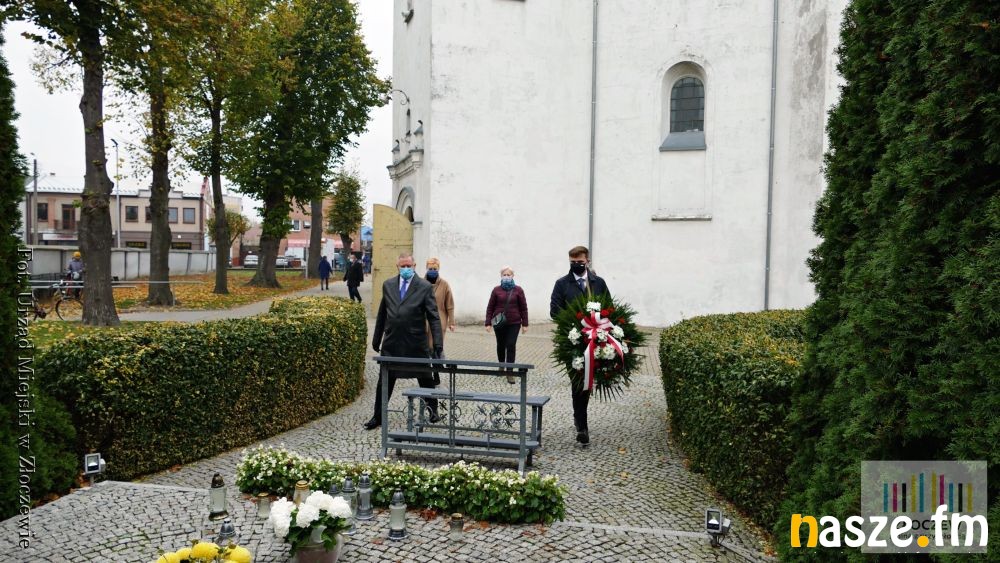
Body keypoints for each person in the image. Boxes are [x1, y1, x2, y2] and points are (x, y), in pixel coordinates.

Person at [367, 253, 443, 430]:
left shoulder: (424, 287)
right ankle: (377, 416)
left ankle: (433, 411)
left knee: (425, 378)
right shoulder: (388, 285)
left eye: (409, 265)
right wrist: (376, 339)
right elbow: (382, 314)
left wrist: (438, 343)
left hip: (415, 342)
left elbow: (433, 317)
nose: (406, 268)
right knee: (384, 380)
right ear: (398, 267)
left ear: (414, 266)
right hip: (392, 342)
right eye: (403, 266)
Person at [549, 245, 611, 446]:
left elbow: (609, 307)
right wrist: (575, 322)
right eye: (573, 262)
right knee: (578, 382)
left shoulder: (598, 283)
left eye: (580, 262)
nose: (576, 265)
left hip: (595, 340)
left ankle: (579, 417)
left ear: (587, 261)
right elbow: (554, 311)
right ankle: (582, 426)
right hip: (572, 342)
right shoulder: (562, 284)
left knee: (588, 382)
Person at [485, 266, 528, 384]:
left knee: (510, 345)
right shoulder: (496, 290)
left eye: (509, 274)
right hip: (499, 322)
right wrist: (488, 322)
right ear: (501, 276)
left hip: (514, 323)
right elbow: (490, 307)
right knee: (501, 344)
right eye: (504, 274)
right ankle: (501, 365)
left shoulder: (518, 290)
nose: (506, 276)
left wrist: (525, 324)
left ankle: (510, 372)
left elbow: (523, 308)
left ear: (513, 276)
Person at [424, 258, 455, 352]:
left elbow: (450, 305)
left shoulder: (444, 285)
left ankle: (438, 359)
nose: (432, 271)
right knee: (424, 346)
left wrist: (451, 322)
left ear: (438, 269)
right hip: (424, 319)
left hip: (439, 320)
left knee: (437, 347)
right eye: (430, 269)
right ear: (426, 268)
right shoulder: (421, 283)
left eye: (435, 269)